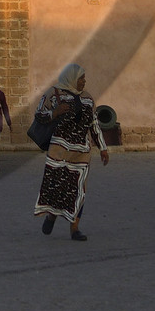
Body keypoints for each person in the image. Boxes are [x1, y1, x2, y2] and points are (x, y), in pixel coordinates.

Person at [33, 62, 109, 241]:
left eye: (84, 78)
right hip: (59, 150)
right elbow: (39, 114)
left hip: (81, 152)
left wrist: (103, 148)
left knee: (78, 190)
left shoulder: (88, 99)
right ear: (72, 78)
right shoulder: (53, 94)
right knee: (58, 187)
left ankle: (75, 228)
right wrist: (55, 113)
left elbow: (94, 124)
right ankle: (51, 216)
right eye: (81, 78)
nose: (84, 81)